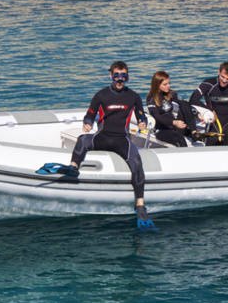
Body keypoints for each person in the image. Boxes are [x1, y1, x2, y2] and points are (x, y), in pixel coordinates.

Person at [69, 61, 157, 232]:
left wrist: (142, 123)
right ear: (111, 76)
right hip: (102, 137)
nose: (119, 80)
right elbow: (90, 115)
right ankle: (73, 167)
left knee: (137, 162)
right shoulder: (101, 95)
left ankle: (140, 206)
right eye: (116, 76)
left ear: (128, 77)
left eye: (123, 76)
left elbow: (141, 116)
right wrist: (87, 124)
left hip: (122, 140)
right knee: (83, 139)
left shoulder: (133, 96)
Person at [189, 61, 228, 146]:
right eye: (222, 77)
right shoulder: (208, 84)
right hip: (213, 120)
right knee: (212, 139)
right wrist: (209, 110)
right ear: (219, 71)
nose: (224, 81)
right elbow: (193, 99)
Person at [146, 71, 201, 147]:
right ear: (157, 85)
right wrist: (174, 122)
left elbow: (184, 104)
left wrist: (197, 113)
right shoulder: (151, 98)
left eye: (169, 83)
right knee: (180, 139)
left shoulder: (170, 93)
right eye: (165, 84)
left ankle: (194, 132)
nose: (168, 86)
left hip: (175, 127)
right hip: (162, 130)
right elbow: (157, 118)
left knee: (184, 103)